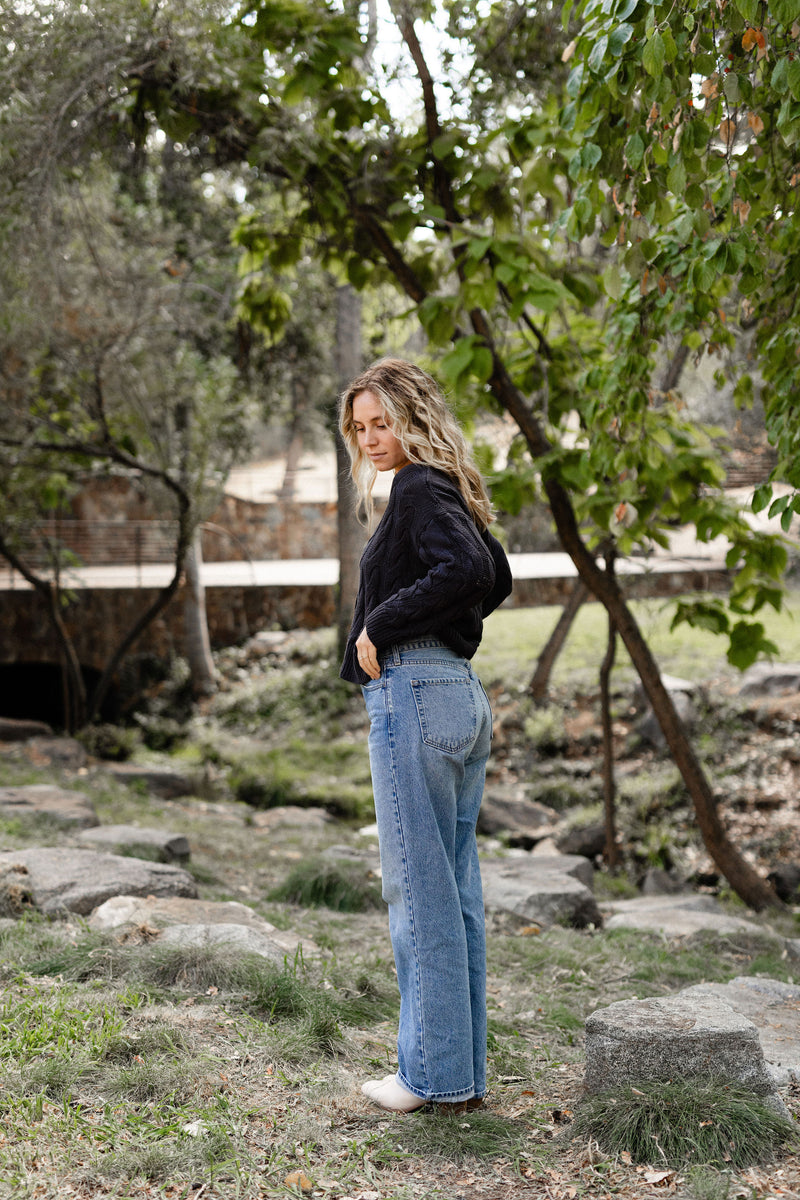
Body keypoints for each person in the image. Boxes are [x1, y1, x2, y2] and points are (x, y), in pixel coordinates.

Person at [338, 358, 512, 1114]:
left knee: (420, 892)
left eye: (383, 423)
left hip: (415, 691)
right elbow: (493, 576)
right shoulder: (449, 487)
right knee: (456, 892)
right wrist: (436, 627)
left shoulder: (416, 485)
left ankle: (431, 1079)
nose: (373, 439)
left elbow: (471, 569)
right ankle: (459, 1074)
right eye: (361, 428)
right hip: (457, 697)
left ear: (412, 419)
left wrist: (383, 624)